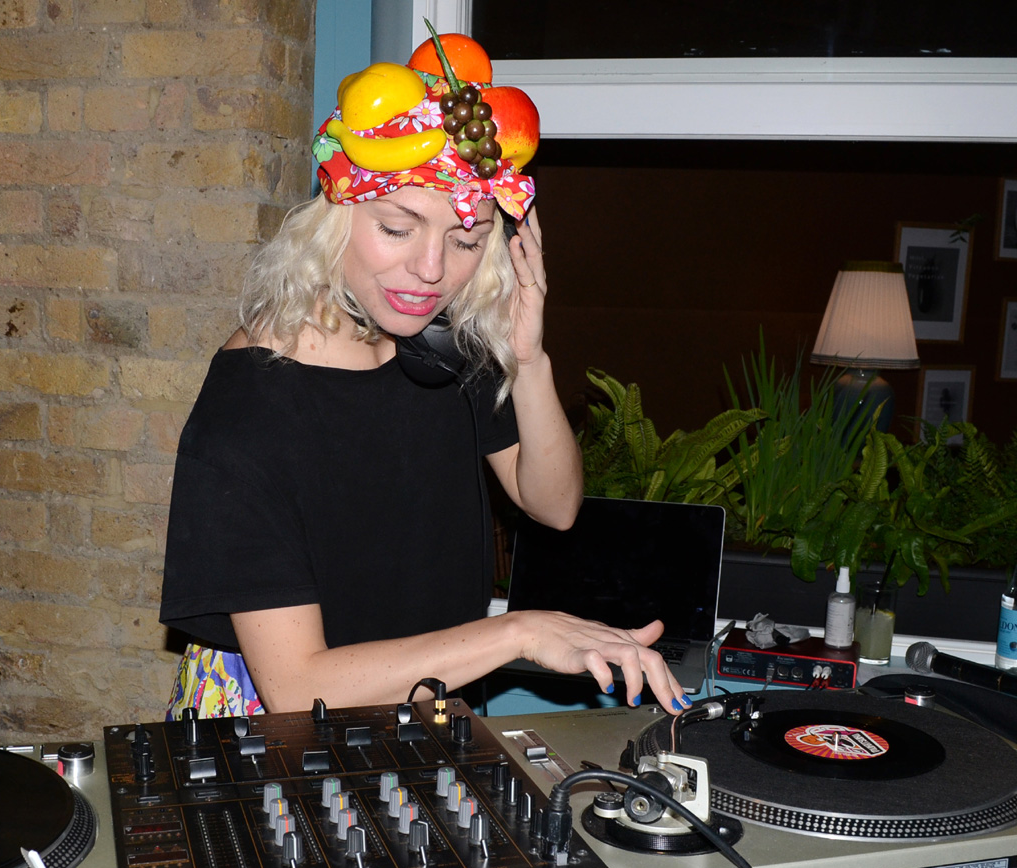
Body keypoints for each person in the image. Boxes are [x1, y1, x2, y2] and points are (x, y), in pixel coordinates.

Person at [159, 32, 691, 719]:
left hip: (422, 706)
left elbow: (554, 504)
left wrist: (528, 362)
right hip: (276, 736)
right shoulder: (249, 409)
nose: (431, 270)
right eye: (397, 228)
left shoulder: (446, 347)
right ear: (336, 215)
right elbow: (294, 686)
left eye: (465, 240)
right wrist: (518, 633)